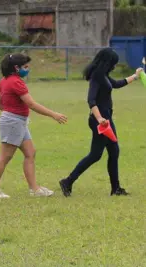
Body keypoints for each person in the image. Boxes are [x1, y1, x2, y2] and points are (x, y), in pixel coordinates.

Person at [59, 48, 144, 197]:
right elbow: (91, 100)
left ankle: (116, 189)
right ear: (107, 62)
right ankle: (68, 181)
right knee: (95, 155)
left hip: (106, 119)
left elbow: (117, 84)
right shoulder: (97, 77)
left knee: (114, 151)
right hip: (101, 121)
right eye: (113, 63)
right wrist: (100, 119)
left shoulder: (103, 75)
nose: (115, 66)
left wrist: (135, 76)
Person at [0, 53, 67, 198]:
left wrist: (8, 112)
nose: (28, 69)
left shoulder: (5, 80)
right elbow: (31, 104)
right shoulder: (16, 82)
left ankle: (34, 189)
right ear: (16, 68)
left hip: (18, 122)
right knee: (5, 157)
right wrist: (53, 114)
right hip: (14, 122)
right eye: (25, 66)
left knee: (30, 153)